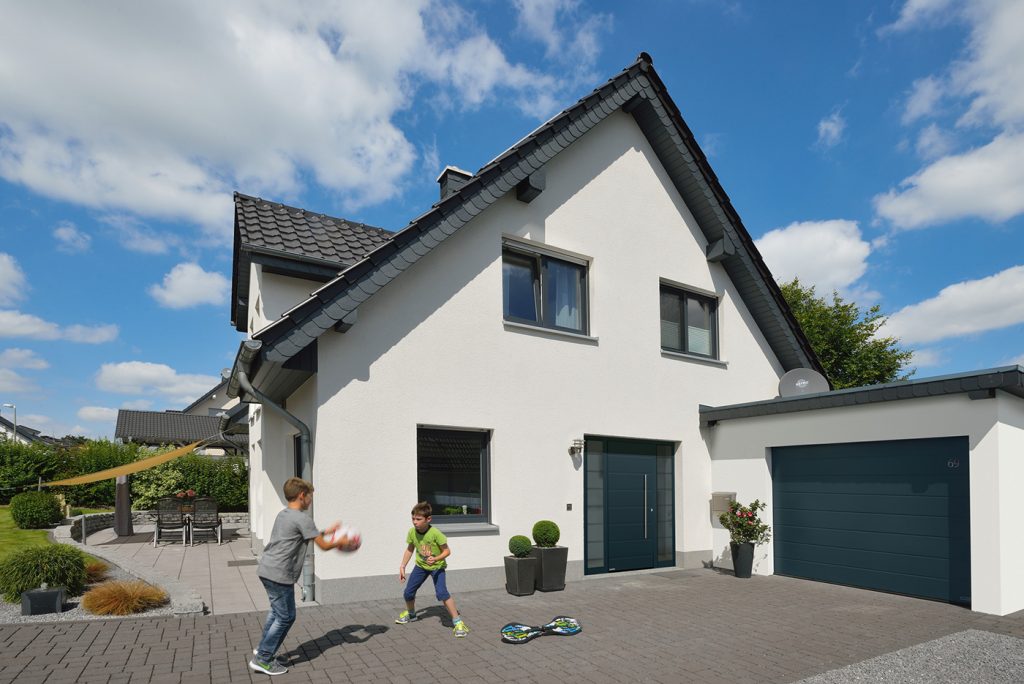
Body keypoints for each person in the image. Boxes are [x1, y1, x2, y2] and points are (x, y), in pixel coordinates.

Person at [250, 477, 354, 676]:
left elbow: (303, 534)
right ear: (301, 495)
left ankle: (264, 650)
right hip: (280, 573)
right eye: (310, 497)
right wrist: (340, 542)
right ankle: (263, 658)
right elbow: (323, 545)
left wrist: (327, 531)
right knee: (286, 617)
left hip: (268, 569)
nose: (311, 501)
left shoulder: (284, 514)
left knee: (277, 613)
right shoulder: (303, 518)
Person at [396, 501, 470, 637]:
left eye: (418, 519)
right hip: (421, 566)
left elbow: (447, 551)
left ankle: (458, 623)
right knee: (408, 593)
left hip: (437, 567)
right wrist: (402, 566)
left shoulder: (435, 533)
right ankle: (411, 614)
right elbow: (410, 549)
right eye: (413, 518)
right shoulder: (412, 532)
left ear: (428, 519)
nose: (415, 522)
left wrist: (436, 559)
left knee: (442, 593)